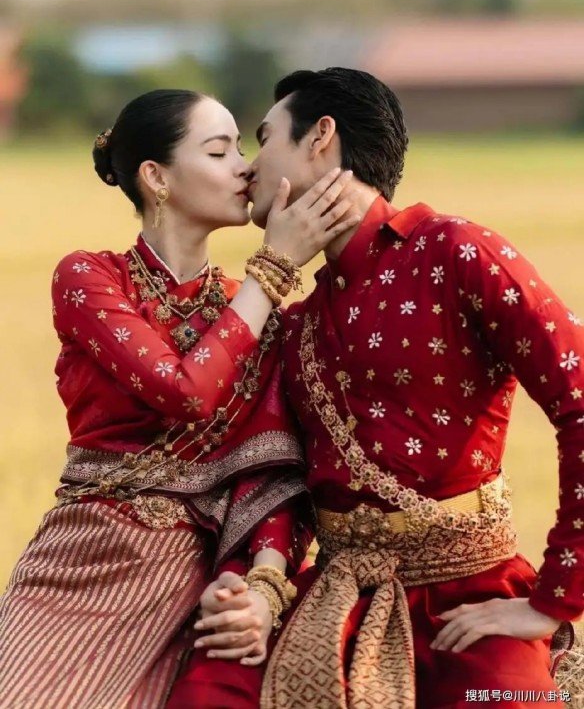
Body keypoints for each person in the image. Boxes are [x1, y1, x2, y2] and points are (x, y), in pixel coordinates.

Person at [171, 69, 584, 709]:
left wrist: (554, 602)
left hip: (469, 598)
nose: (248, 167)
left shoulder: (456, 253)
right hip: (336, 597)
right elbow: (277, 476)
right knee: (210, 692)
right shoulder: (298, 321)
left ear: (321, 137)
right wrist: (257, 588)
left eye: (264, 139)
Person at [0, 88, 360, 709]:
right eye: (220, 152)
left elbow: (271, 472)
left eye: (243, 149)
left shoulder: (253, 309)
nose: (245, 167)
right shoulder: (90, 278)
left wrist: (263, 586)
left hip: (195, 579)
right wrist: (274, 267)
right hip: (81, 561)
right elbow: (184, 391)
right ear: (156, 177)